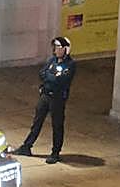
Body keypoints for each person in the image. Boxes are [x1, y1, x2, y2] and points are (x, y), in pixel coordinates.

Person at [15, 35, 76, 164]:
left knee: (57, 125)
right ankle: (27, 146)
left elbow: (60, 80)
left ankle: (55, 152)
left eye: (58, 47)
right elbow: (42, 74)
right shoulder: (52, 60)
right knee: (37, 121)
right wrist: (52, 76)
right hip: (45, 95)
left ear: (65, 49)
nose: (55, 50)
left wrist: (51, 76)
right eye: (55, 47)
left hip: (57, 99)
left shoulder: (70, 65)